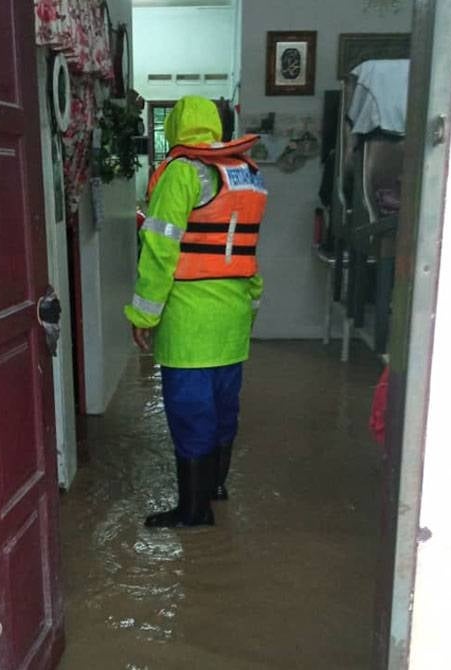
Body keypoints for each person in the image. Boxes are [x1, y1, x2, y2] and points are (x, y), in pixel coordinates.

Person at [125, 96, 267, 528]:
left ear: (176, 130)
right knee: (225, 407)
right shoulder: (248, 175)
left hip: (190, 322)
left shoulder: (181, 173)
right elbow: (247, 248)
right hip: (235, 315)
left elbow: (160, 250)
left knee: (191, 412)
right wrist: (251, 307)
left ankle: (194, 510)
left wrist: (143, 315)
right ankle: (216, 487)